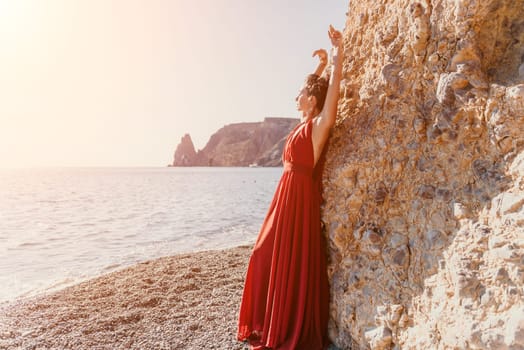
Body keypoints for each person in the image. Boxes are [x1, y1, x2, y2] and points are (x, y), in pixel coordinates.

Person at [237, 25, 344, 350]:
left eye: (300, 94)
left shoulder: (317, 126)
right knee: (262, 254)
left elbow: (331, 97)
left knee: (276, 257)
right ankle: (267, 321)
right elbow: (313, 90)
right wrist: (320, 66)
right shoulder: (302, 124)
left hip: (298, 199)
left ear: (310, 102)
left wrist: (337, 56)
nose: (294, 97)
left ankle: (282, 325)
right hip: (284, 199)